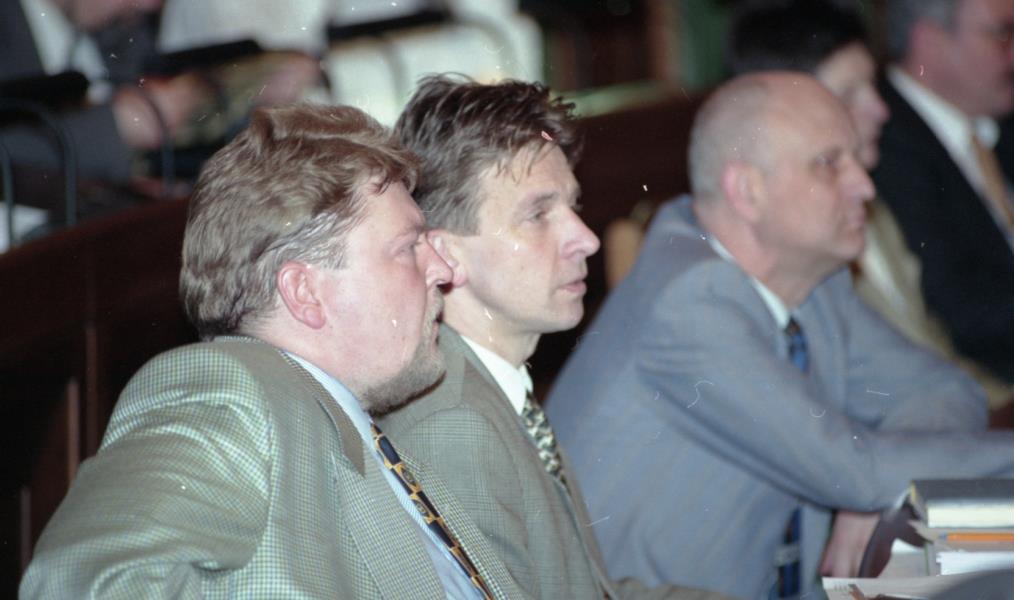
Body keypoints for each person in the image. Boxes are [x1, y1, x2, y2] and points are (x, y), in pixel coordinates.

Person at [19, 103, 524, 598]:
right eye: (408, 247)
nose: (444, 269)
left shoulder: (378, 444)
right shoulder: (230, 393)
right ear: (305, 293)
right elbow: (79, 584)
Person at [546, 72, 1014, 599]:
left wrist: (883, 488)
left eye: (855, 159)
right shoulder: (688, 303)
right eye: (829, 163)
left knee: (996, 552)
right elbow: (856, 470)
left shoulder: (812, 281)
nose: (864, 185)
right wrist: (869, 479)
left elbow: (946, 391)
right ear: (747, 191)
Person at [379, 75, 728, 599]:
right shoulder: (453, 429)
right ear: (446, 254)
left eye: (573, 207)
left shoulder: (494, 389)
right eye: (538, 214)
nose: (586, 239)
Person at [874, 0, 1014, 384]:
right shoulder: (883, 146)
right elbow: (959, 310)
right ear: (931, 41)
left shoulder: (994, 119)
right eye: (1002, 34)